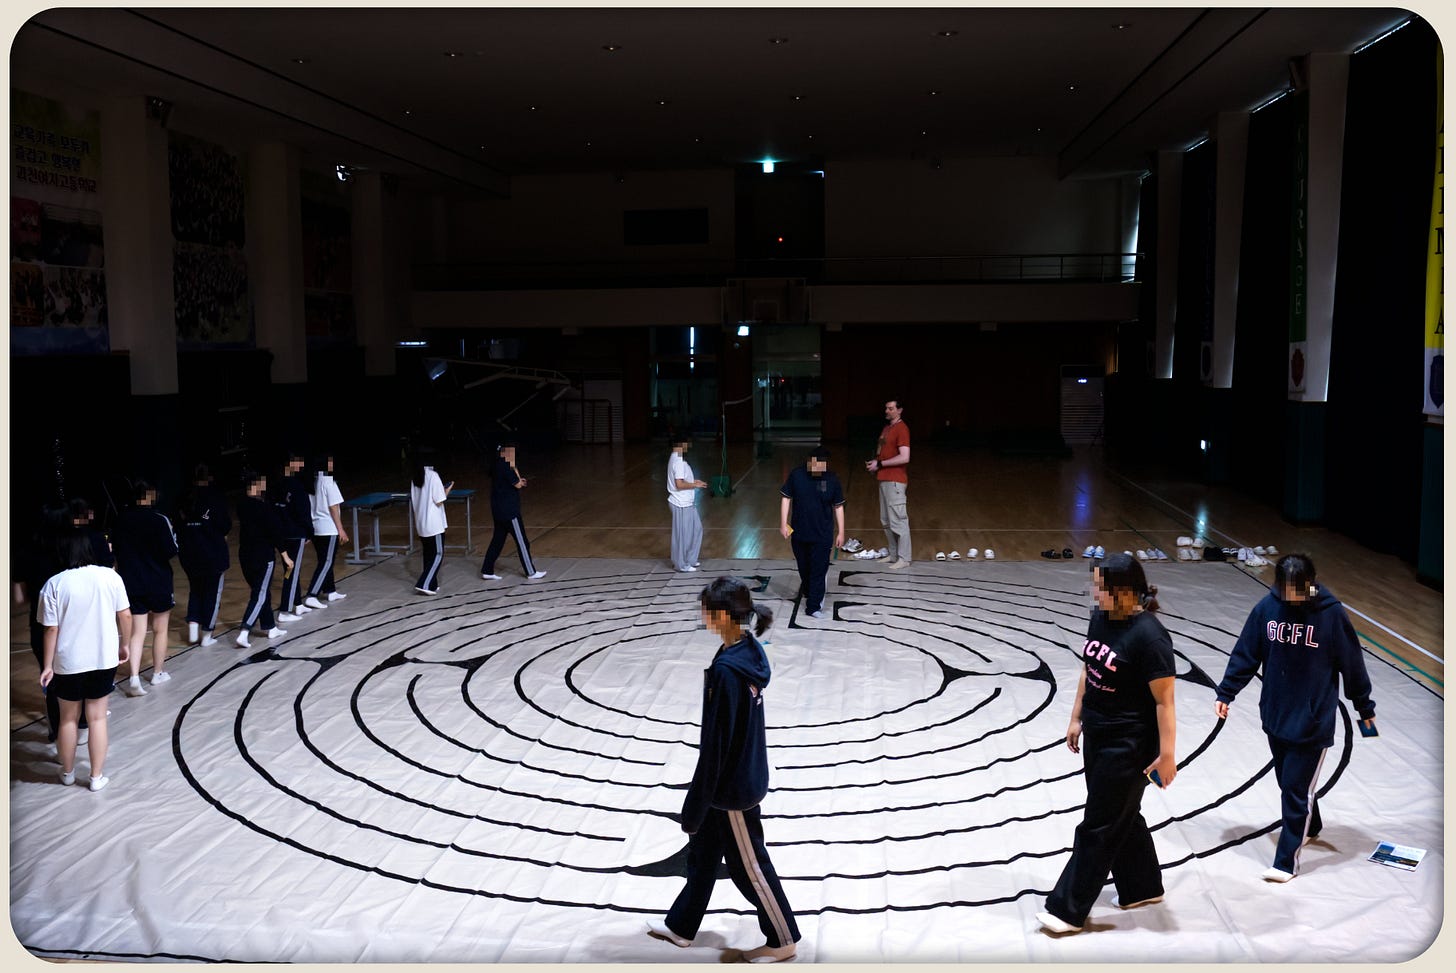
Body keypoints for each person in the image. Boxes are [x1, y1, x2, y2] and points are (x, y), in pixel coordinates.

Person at [647, 577, 800, 963]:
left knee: (750, 866)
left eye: (704, 610)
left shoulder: (729, 671)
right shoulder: (744, 649)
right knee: (703, 855)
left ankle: (783, 939)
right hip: (739, 774)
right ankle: (682, 926)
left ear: (719, 616)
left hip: (731, 787)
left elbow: (717, 745)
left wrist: (696, 802)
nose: (701, 615)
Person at [1214, 553, 1377, 883]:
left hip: (1312, 721)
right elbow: (1246, 652)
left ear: (1310, 585)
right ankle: (1311, 823)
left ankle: (1286, 862)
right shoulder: (1266, 609)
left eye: (1297, 592)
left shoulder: (1331, 615)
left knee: (1294, 788)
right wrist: (1226, 692)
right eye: (1284, 591)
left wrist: (1364, 709)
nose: (1290, 598)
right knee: (1290, 784)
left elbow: (1352, 664)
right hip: (1276, 714)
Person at [1038, 553, 1177, 934]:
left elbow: (1165, 702)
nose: (1094, 593)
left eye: (1101, 587)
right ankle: (1142, 887)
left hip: (1130, 744)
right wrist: (1076, 717)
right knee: (1121, 815)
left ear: (1126, 592)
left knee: (1099, 824)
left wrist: (1167, 757)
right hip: (1099, 732)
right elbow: (1089, 667)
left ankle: (1067, 909)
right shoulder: (1101, 617)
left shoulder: (1149, 636)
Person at [39, 532, 133, 791]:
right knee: (98, 718)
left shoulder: (54, 584)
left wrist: (47, 665)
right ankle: (95, 777)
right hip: (103, 659)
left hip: (68, 663)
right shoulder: (110, 576)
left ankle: (67, 773)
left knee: (68, 719)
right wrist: (124, 644)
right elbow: (125, 615)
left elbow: (50, 630)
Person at [112, 479, 178, 696]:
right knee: (160, 628)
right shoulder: (159, 520)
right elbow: (171, 550)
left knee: (137, 632)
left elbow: (115, 551)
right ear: (149, 495)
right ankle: (158, 673)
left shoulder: (120, 521)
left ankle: (133, 678)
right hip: (158, 581)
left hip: (131, 582)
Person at [779, 445, 845, 619]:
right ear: (810, 462)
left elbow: (838, 506)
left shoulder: (832, 480)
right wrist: (783, 523)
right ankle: (809, 592)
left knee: (818, 570)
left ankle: (814, 606)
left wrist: (841, 532)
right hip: (800, 532)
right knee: (804, 567)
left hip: (822, 534)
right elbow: (786, 497)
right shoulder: (796, 475)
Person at [236, 469, 292, 649]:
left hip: (245, 555)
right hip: (262, 556)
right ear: (255, 485)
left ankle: (270, 627)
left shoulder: (241, 504)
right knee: (259, 594)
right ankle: (245, 631)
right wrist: (286, 556)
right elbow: (275, 533)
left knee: (261, 591)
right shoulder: (264, 507)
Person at [177, 463, 232, 647]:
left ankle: (193, 630)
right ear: (210, 478)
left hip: (189, 555)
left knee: (196, 589)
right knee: (211, 594)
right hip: (212, 554)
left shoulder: (185, 498)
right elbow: (225, 525)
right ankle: (206, 635)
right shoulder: (216, 498)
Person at [480, 441, 546, 581]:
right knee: (522, 541)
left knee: (497, 541)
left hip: (497, 510)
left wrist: (517, 480)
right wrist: (517, 473)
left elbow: (509, 482)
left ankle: (487, 569)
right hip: (509, 511)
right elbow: (517, 485)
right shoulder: (506, 466)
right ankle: (531, 572)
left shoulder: (496, 465)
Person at [864, 398, 911, 568]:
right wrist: (876, 463)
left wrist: (881, 464)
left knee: (899, 520)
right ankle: (893, 555)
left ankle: (904, 558)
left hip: (895, 480)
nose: (887, 411)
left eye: (891, 408)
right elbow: (883, 452)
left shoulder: (902, 429)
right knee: (886, 520)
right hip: (883, 479)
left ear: (900, 410)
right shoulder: (886, 429)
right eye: (886, 408)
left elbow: (905, 457)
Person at [271, 451, 313, 622]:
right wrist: (309, 532)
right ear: (290, 464)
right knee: (291, 571)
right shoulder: (296, 486)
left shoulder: (276, 485)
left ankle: (298, 603)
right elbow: (303, 511)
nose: (301, 465)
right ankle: (285, 611)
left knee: (290, 569)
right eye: (298, 462)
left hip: (282, 534)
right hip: (295, 534)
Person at [304, 452, 349, 608]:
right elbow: (333, 507)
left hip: (316, 528)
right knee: (326, 562)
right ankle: (312, 594)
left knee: (324, 560)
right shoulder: (328, 481)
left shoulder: (312, 481)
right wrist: (341, 529)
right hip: (328, 528)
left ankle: (330, 590)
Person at [410, 453, 453, 594]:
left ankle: (432, 583)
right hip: (434, 524)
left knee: (428, 554)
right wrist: (447, 490)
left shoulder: (415, 478)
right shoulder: (433, 476)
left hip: (421, 523)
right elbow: (439, 500)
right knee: (438, 553)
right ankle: (425, 583)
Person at [667, 437, 707, 572]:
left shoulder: (677, 457)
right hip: (680, 503)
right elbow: (679, 484)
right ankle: (681, 565)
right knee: (682, 536)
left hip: (687, 502)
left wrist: (694, 481)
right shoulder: (677, 460)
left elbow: (683, 479)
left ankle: (690, 559)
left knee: (697, 529)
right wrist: (694, 485)